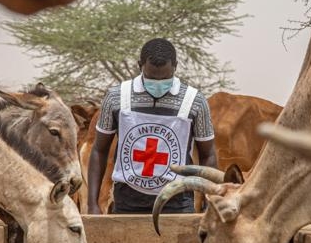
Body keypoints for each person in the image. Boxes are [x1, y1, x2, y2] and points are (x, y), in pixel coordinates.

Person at [87, 38, 218, 214]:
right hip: (127, 202)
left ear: (175, 66)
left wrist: (210, 201)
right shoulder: (116, 96)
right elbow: (99, 150)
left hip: (177, 203)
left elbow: (208, 154)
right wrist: (92, 203)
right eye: (151, 77)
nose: (158, 83)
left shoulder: (195, 101)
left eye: (165, 78)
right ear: (140, 65)